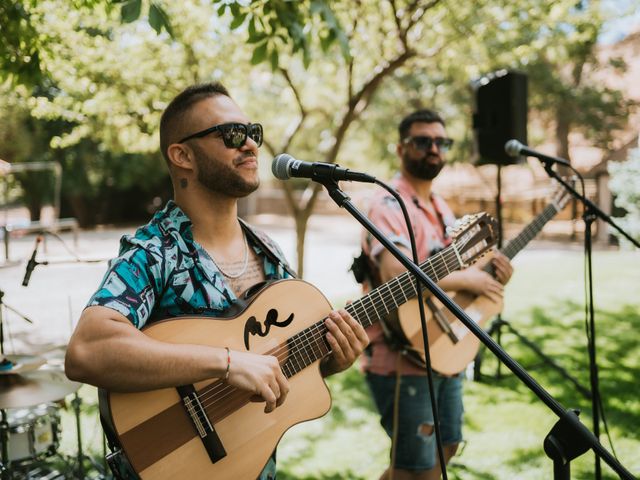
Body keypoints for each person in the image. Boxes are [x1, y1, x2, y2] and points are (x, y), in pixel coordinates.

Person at [64, 82, 369, 479]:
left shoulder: (268, 251)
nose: (250, 146)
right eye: (231, 135)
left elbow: (271, 367)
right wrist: (225, 362)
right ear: (182, 156)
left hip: (251, 464)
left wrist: (329, 361)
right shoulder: (154, 252)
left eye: (253, 133)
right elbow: (87, 351)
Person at [359, 109, 513, 480]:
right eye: (423, 141)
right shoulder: (386, 205)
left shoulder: (442, 208)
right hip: (401, 355)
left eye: (441, 142)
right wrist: (466, 281)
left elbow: (460, 271)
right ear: (400, 148)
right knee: (419, 469)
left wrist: (489, 275)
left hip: (444, 347)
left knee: (446, 448)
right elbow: (398, 273)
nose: (434, 149)